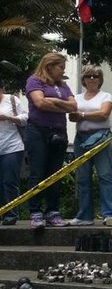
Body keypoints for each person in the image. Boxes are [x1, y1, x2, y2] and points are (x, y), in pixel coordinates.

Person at [25, 52, 77, 228]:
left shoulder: (63, 85)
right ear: (49, 66)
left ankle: (52, 211)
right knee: (38, 171)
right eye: (60, 67)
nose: (63, 71)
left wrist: (54, 100)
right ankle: (35, 212)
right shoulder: (34, 81)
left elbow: (74, 106)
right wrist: (62, 105)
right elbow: (39, 103)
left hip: (59, 132)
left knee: (55, 174)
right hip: (38, 131)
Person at [68, 65, 112, 226]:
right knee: (83, 178)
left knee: (105, 176)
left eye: (95, 76)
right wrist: (85, 116)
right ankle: (84, 216)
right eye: (88, 76)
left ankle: (109, 213)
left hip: (102, 138)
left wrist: (82, 115)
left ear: (100, 79)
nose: (92, 79)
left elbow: (104, 114)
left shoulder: (106, 95)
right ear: (83, 80)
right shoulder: (76, 97)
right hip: (81, 139)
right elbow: (71, 117)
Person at [0, 79, 27, 225]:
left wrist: (8, 117)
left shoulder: (12, 100)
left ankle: (11, 215)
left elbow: (25, 118)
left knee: (9, 182)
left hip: (12, 146)